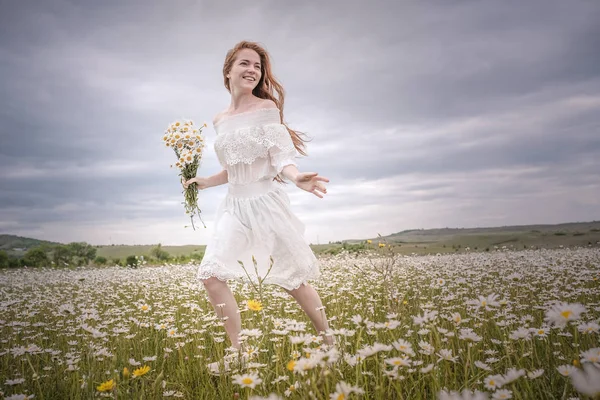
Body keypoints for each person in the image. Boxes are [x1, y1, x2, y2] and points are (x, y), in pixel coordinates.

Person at [183, 41, 335, 359]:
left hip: (266, 202)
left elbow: (280, 156)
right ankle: (241, 352)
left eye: (257, 66)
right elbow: (233, 167)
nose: (252, 70)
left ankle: (331, 343)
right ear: (228, 71)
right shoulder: (220, 119)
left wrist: (296, 178)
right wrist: (205, 181)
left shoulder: (266, 110)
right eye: (244, 64)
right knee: (211, 276)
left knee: (294, 280)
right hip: (234, 206)